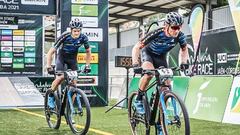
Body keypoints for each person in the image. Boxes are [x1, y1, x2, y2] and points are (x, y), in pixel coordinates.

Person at [132, 12, 189, 114]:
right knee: (149, 74)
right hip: (148, 54)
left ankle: (161, 123)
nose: (176, 30)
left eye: (179, 27)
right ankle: (139, 99)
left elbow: (184, 49)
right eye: (174, 27)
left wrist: (184, 62)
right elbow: (136, 47)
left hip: (161, 57)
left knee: (166, 88)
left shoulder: (180, 36)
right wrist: (135, 64)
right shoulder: (157, 32)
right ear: (166, 25)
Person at [46, 18, 91, 108]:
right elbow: (51, 52)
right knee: (60, 78)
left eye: (78, 31)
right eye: (74, 31)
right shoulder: (65, 36)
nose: (76, 33)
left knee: (74, 85)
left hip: (72, 59)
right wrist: (48, 65)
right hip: (61, 57)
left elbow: (88, 52)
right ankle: (51, 96)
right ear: (71, 30)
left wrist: (87, 65)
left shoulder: (83, 38)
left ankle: (70, 111)